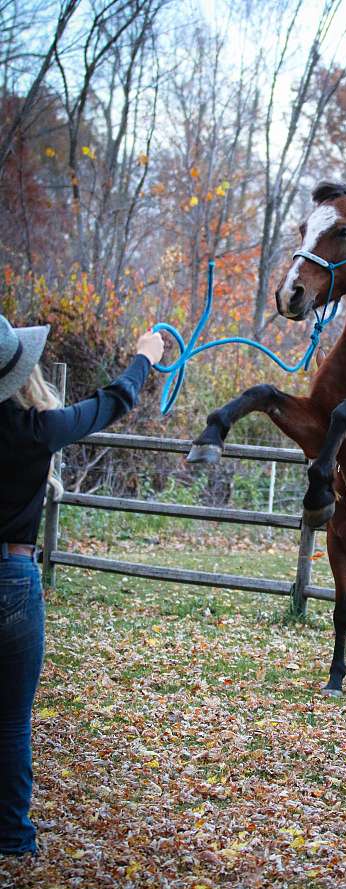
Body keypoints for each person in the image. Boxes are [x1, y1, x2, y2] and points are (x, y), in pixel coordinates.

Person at [0, 315, 164, 855]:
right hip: (13, 579)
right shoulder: (37, 430)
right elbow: (112, 401)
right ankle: (13, 837)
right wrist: (145, 357)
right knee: (12, 721)